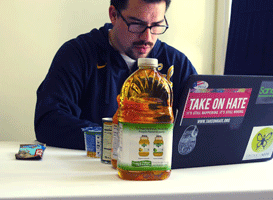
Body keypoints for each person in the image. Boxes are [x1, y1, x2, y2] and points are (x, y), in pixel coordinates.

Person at [34, 0, 198, 150]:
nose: (147, 37)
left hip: (155, 173)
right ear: (113, 15)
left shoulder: (176, 64)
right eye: (136, 25)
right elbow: (48, 121)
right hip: (86, 174)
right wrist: (120, 138)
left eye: (156, 25)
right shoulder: (77, 55)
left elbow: (201, 126)